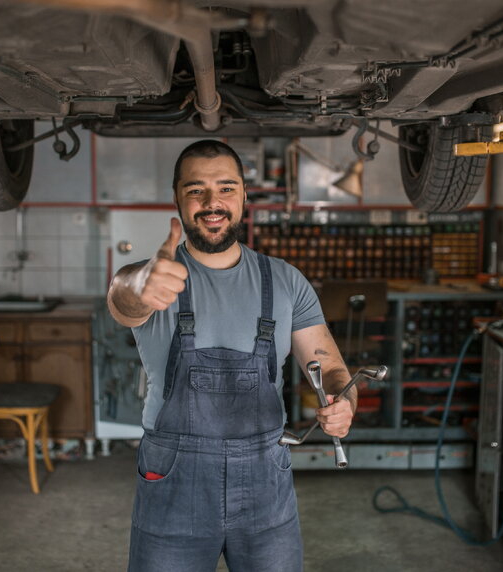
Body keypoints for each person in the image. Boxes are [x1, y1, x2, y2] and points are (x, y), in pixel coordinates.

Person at [107, 140, 355, 572]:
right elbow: (123, 298)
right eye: (196, 190)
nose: (212, 202)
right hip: (174, 482)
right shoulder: (156, 280)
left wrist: (343, 401)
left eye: (225, 188)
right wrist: (138, 283)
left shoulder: (284, 281)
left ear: (243, 195)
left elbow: (331, 367)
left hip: (265, 482)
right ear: (178, 199)